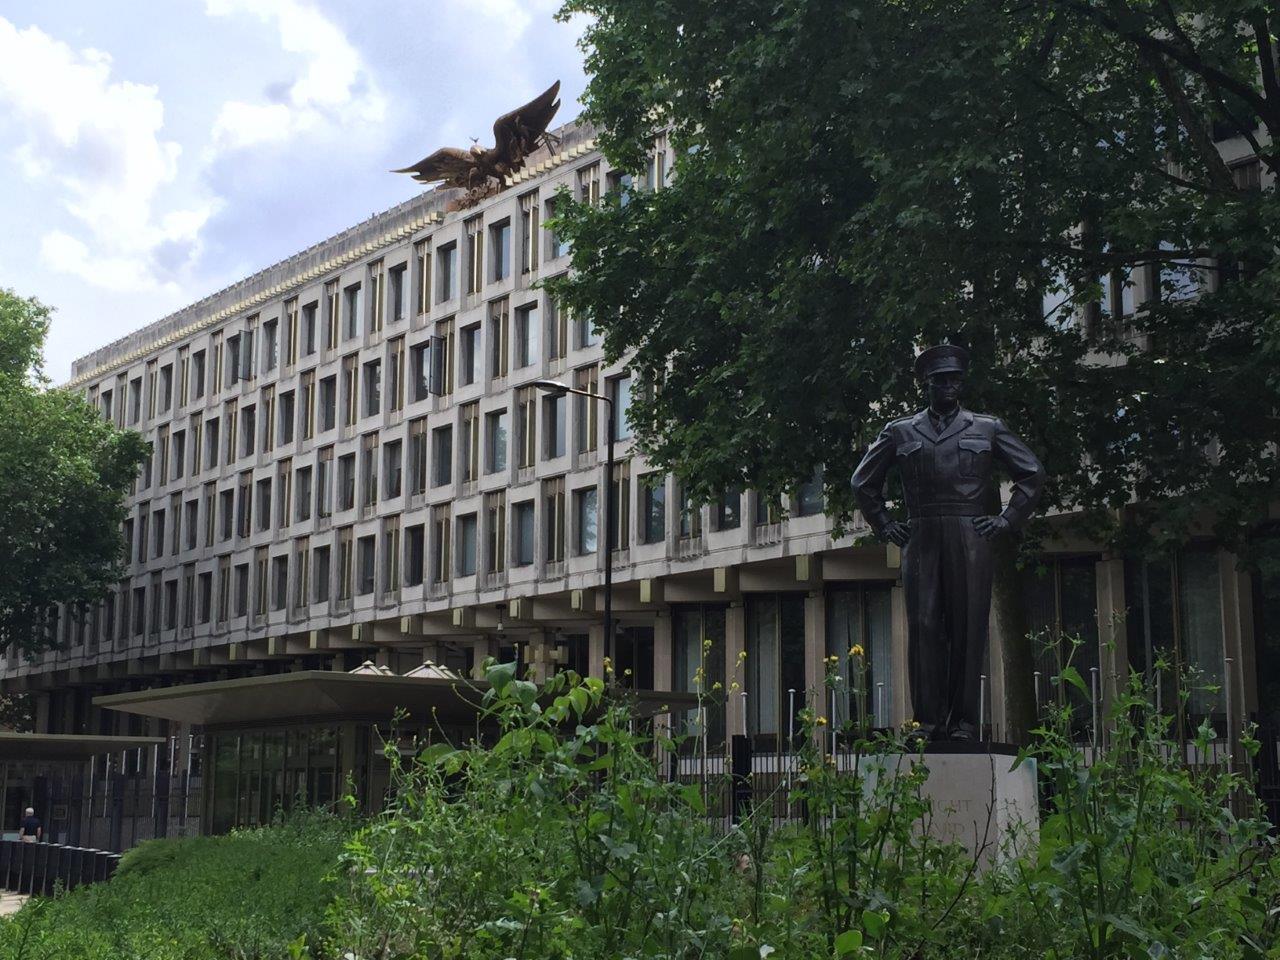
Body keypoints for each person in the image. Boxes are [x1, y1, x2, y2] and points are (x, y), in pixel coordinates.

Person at [851, 344, 1045, 740]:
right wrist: (885, 524)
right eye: (942, 381)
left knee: (968, 627)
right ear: (927, 384)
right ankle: (927, 723)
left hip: (969, 534)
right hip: (921, 535)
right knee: (923, 627)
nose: (950, 386)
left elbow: (1032, 473)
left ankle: (964, 723)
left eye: (956, 380)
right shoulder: (900, 431)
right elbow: (862, 482)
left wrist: (1007, 519)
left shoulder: (987, 427)